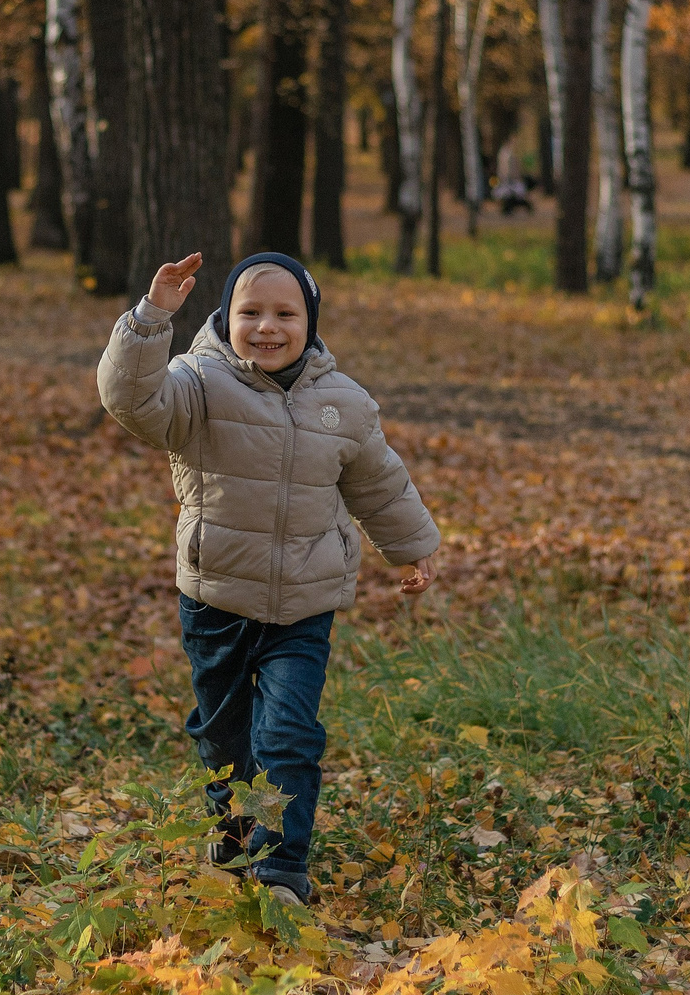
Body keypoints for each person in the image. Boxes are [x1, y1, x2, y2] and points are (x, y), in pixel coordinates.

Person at [97, 249, 441, 906]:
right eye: (250, 312)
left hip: (304, 606)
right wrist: (150, 321)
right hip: (217, 598)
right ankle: (235, 823)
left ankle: (280, 867)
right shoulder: (196, 384)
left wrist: (412, 547)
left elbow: (379, 483)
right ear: (226, 317)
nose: (267, 327)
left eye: (286, 313)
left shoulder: (343, 402)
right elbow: (130, 400)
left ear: (310, 321)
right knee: (225, 735)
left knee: (286, 733)